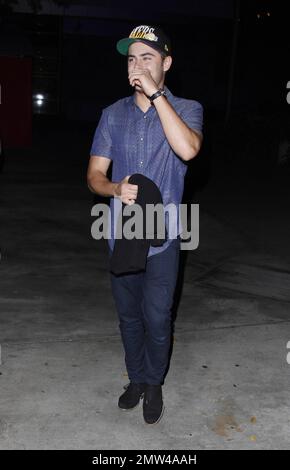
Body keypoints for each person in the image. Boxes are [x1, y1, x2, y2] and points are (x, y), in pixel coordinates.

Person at [87, 24, 203, 425]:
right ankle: (136, 379)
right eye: (132, 59)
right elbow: (94, 177)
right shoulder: (111, 114)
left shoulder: (187, 109)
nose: (137, 65)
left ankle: (154, 383)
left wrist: (156, 94)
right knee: (129, 316)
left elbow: (188, 149)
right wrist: (114, 187)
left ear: (166, 63)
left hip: (164, 233)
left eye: (147, 58)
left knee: (157, 315)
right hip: (120, 233)